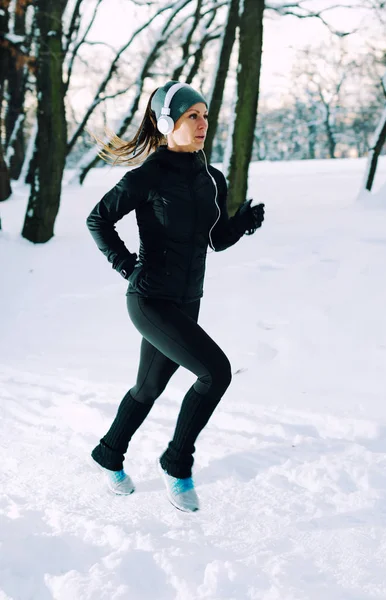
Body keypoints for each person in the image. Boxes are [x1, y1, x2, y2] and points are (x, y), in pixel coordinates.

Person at [86, 80, 265, 512]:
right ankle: (177, 463)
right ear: (168, 123)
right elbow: (98, 220)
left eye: (204, 115)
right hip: (150, 300)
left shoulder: (211, 178)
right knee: (215, 372)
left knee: (148, 387)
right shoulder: (147, 176)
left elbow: (216, 240)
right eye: (192, 116)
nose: (203, 123)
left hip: (188, 299)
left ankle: (108, 452)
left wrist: (241, 223)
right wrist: (128, 267)